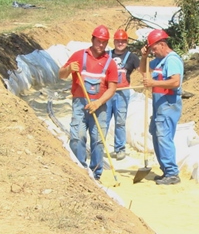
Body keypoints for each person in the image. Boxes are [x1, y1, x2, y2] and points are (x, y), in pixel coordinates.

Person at [58, 25, 118, 180]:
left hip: (100, 106)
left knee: (98, 140)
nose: (101, 45)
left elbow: (112, 89)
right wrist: (69, 69)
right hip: (80, 103)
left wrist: (98, 103)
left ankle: (96, 173)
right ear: (92, 39)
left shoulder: (110, 63)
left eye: (104, 42)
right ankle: (79, 170)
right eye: (98, 41)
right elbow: (61, 75)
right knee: (77, 137)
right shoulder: (79, 56)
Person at [140, 28, 184, 185]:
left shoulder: (171, 60)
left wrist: (153, 83)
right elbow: (143, 70)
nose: (153, 51)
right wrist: (144, 56)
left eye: (154, 48)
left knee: (163, 136)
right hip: (159, 104)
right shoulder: (159, 60)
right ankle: (166, 170)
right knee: (156, 133)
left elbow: (175, 82)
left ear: (163, 44)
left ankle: (172, 173)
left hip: (168, 103)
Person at [105, 29, 140, 161]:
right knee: (104, 120)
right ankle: (98, 147)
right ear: (114, 41)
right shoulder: (106, 55)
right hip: (107, 91)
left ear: (126, 42)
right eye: (118, 41)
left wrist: (148, 78)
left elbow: (142, 70)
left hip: (122, 93)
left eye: (123, 41)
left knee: (120, 121)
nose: (120, 43)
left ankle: (119, 149)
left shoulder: (132, 57)